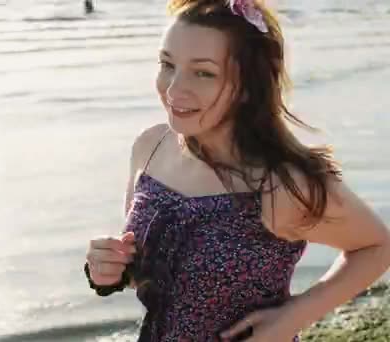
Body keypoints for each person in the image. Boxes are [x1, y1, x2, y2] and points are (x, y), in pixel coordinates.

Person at [83, 0, 390, 341]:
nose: (173, 89)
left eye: (204, 73)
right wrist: (107, 270)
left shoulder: (281, 182)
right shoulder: (150, 147)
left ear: (247, 86)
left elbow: (377, 247)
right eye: (168, 64)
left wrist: (292, 318)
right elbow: (145, 268)